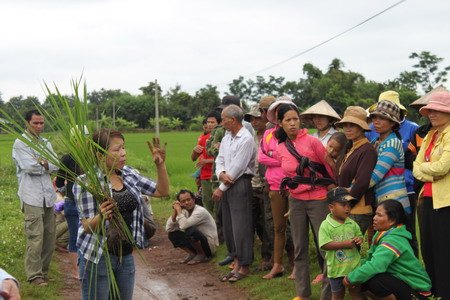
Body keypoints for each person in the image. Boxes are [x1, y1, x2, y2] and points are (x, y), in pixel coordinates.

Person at [73, 129, 169, 300]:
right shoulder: (86, 183)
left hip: (125, 254)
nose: (123, 153)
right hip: (98, 256)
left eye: (123, 148)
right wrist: (101, 216)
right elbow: (87, 226)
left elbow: (162, 191)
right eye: (117, 150)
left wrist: (160, 165)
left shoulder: (130, 174)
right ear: (100, 155)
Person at [275, 103, 333, 300]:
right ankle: (303, 294)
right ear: (280, 124)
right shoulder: (281, 148)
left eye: (295, 119)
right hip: (296, 201)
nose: (292, 124)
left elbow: (329, 169)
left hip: (319, 198)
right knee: (299, 248)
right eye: (287, 120)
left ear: (300, 120)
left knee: (325, 247)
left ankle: (328, 294)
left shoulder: (313, 142)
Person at [344, 200, 432, 299]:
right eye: (375, 214)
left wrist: (349, 279)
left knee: (376, 281)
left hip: (418, 291)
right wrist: (351, 266)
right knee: (362, 278)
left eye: (379, 215)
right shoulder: (381, 233)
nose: (374, 218)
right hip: (400, 280)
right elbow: (370, 259)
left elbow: (375, 266)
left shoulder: (394, 240)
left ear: (392, 221)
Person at [12, 109, 58, 286]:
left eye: (41, 123)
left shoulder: (45, 142)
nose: (39, 126)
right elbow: (29, 167)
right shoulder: (20, 143)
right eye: (35, 123)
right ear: (27, 123)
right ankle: (34, 275)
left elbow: (55, 165)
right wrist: (45, 164)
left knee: (49, 236)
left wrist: (44, 163)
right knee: (35, 236)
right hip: (31, 196)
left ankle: (44, 273)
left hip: (48, 195)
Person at [212, 104, 256, 283]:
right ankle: (236, 261)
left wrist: (221, 187)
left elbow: (238, 167)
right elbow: (219, 160)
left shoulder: (246, 139)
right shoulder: (227, 138)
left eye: (224, 120)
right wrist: (221, 174)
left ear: (234, 120)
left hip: (239, 184)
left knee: (241, 227)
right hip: (226, 182)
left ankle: (244, 266)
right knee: (230, 225)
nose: (222, 124)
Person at [412, 91, 450, 299]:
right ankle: (434, 291)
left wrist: (426, 171)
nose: (432, 114)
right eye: (430, 110)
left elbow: (444, 166)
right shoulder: (430, 135)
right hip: (426, 198)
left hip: (445, 201)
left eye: (437, 110)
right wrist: (430, 174)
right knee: (429, 248)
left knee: (444, 250)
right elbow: (415, 167)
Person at [259, 97, 296, 280]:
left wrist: (275, 155)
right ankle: (278, 265)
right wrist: (281, 158)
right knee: (278, 227)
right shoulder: (268, 134)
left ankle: (297, 265)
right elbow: (262, 157)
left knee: (297, 227)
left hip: (295, 187)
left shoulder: (296, 135)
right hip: (275, 185)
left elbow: (294, 159)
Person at [334, 106, 377, 235]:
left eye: (352, 125)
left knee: (349, 249)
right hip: (345, 207)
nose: (347, 129)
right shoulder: (349, 148)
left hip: (357, 209)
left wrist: (346, 204)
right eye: (345, 125)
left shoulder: (367, 150)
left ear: (361, 127)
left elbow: (362, 182)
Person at [55, 126, 88, 279]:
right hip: (74, 203)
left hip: (85, 203)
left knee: (87, 236)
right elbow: (60, 181)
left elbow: (60, 181)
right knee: (75, 237)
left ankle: (84, 269)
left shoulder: (89, 157)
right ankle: (77, 271)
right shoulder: (70, 158)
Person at [319, 187, 363, 300]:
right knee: (337, 295)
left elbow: (359, 236)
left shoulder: (352, 223)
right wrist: (344, 244)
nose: (347, 208)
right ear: (331, 207)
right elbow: (324, 245)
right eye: (343, 205)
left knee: (356, 293)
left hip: (353, 267)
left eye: (349, 205)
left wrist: (359, 240)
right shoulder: (326, 225)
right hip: (336, 269)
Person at [244, 104, 273, 269]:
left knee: (268, 222)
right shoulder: (251, 138)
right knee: (255, 222)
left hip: (266, 185)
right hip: (252, 184)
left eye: (257, 118)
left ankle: (268, 257)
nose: (254, 122)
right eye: (252, 119)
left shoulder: (270, 138)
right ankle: (264, 254)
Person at [368, 101, 410, 213]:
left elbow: (375, 176)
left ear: (392, 122)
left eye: (381, 118)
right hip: (382, 201)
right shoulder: (375, 142)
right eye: (374, 117)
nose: (376, 122)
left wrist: (353, 189)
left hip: (394, 203)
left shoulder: (392, 144)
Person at [166, 189, 219, 265]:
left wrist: (179, 210)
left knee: (190, 230)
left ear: (194, 199)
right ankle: (193, 254)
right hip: (198, 243)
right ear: (180, 204)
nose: (187, 203)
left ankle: (202, 255)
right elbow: (169, 228)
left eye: (188, 200)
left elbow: (184, 225)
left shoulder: (200, 211)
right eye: (183, 201)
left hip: (209, 246)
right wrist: (175, 211)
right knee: (173, 234)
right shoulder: (184, 212)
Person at [191, 112, 220, 213]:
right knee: (208, 205)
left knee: (219, 207)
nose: (209, 124)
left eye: (212, 122)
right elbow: (193, 158)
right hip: (205, 177)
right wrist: (194, 151)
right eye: (208, 122)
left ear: (219, 123)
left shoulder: (224, 138)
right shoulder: (204, 139)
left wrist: (207, 161)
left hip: (218, 177)